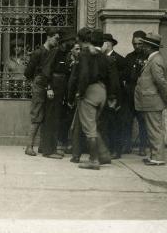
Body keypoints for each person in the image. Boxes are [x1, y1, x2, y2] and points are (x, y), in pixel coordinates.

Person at [68, 28, 118, 170]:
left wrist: (80, 92)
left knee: (89, 129)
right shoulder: (104, 56)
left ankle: (93, 160)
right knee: (94, 126)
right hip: (102, 91)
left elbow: (83, 75)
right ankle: (103, 155)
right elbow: (112, 78)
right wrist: (112, 96)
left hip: (90, 91)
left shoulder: (85, 54)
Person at [23, 27, 60, 156]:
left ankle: (43, 147)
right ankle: (29, 147)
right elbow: (27, 72)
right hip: (40, 85)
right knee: (37, 116)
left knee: (45, 116)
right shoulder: (39, 52)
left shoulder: (52, 52)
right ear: (48, 37)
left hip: (46, 84)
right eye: (55, 38)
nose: (57, 41)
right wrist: (35, 81)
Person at [135, 32, 167, 166]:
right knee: (153, 129)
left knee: (154, 129)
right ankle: (154, 156)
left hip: (153, 101)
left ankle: (158, 157)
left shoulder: (155, 60)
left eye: (144, 45)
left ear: (149, 47)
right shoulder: (154, 59)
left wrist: (166, 96)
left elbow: (161, 81)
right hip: (151, 100)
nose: (142, 47)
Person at [39, 31, 76, 159]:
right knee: (51, 119)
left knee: (56, 119)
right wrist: (49, 88)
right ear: (66, 41)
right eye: (72, 41)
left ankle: (50, 148)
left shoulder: (66, 54)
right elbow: (46, 70)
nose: (74, 43)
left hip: (60, 90)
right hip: (53, 90)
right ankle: (48, 151)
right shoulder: (56, 52)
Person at [101, 33, 127, 159]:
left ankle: (116, 150)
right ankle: (106, 149)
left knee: (114, 124)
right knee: (104, 124)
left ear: (108, 44)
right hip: (102, 95)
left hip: (114, 96)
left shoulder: (120, 60)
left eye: (102, 43)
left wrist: (115, 98)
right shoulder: (100, 58)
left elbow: (121, 80)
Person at [124, 30, 150, 156]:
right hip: (129, 94)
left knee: (143, 121)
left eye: (140, 44)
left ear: (144, 43)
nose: (137, 46)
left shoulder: (149, 58)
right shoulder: (129, 57)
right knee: (127, 120)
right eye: (135, 44)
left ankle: (143, 147)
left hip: (142, 94)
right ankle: (127, 145)